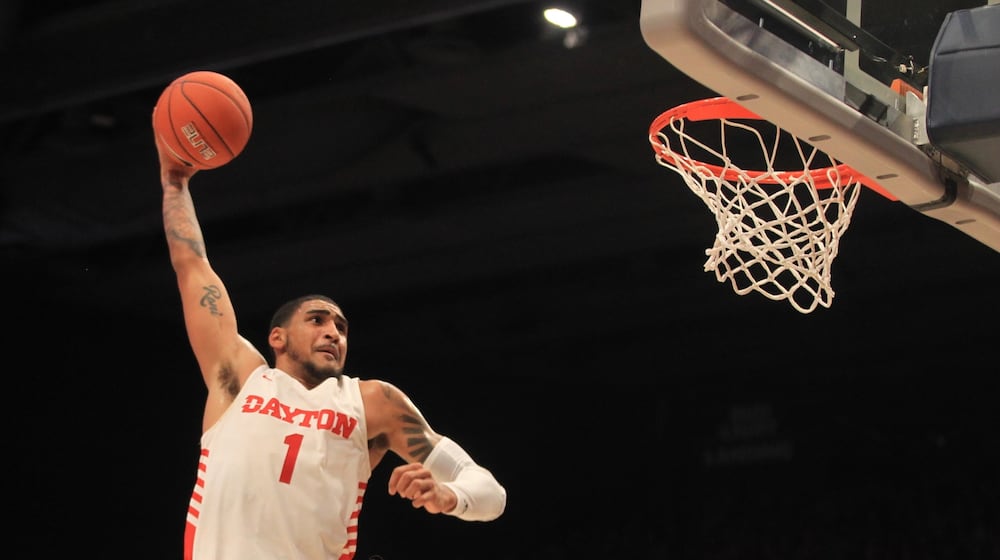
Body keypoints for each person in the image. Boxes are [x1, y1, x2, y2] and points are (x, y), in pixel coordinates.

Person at [154, 128, 506, 560]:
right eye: (317, 320)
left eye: (341, 327)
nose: (333, 333)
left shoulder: (372, 402)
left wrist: (450, 497)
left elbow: (491, 493)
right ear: (276, 338)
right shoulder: (239, 377)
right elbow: (192, 264)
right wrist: (174, 180)